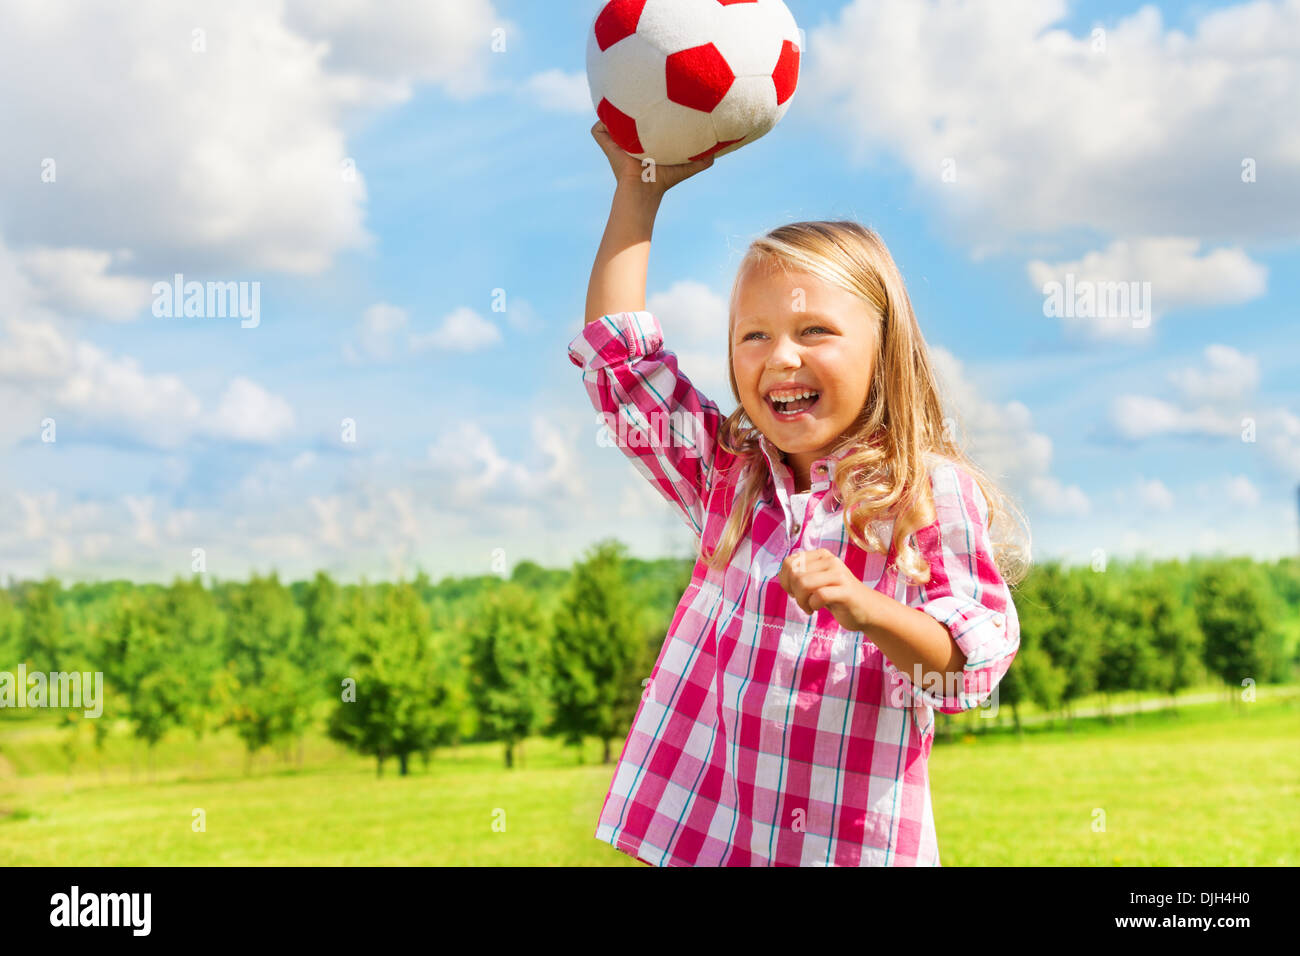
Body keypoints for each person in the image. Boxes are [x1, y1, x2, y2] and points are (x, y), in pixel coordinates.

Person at [569, 121, 1031, 866]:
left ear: (884, 349)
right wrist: (638, 192)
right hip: (711, 840)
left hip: (848, 848)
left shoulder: (926, 493)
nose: (780, 356)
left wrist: (867, 605)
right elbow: (622, 367)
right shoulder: (728, 478)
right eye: (753, 336)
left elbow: (969, 668)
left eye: (814, 329)